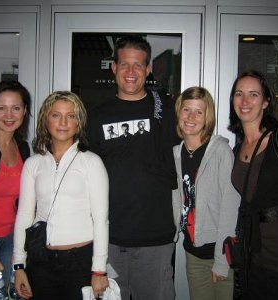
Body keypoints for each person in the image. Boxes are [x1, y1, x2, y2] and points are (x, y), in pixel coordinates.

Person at [87, 35, 178, 300]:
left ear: (148, 69)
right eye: (124, 64)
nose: (130, 72)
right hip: (108, 238)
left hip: (155, 238)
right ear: (113, 67)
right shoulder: (96, 115)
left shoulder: (167, 109)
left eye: (138, 65)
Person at [12, 91, 109, 300]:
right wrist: (18, 265)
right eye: (56, 115)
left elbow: (101, 220)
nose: (63, 122)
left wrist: (99, 270)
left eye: (71, 116)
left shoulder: (91, 162)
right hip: (40, 261)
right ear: (46, 120)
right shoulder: (33, 163)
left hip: (79, 262)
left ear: (79, 122)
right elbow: (24, 216)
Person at [172, 86, 240, 300]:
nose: (191, 117)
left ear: (207, 117)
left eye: (198, 112)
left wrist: (221, 261)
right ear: (179, 112)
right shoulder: (176, 153)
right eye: (186, 110)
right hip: (193, 253)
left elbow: (231, 207)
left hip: (218, 253)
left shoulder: (221, 152)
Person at [228, 70, 278, 300]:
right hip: (253, 258)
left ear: (265, 102)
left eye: (253, 94)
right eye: (239, 94)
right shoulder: (237, 149)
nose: (244, 101)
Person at [0, 80, 31, 298]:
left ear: (24, 111)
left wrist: (20, 248)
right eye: (1, 108)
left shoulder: (23, 147)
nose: (9, 114)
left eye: (16, 108)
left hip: (11, 237)